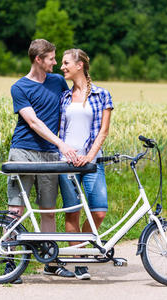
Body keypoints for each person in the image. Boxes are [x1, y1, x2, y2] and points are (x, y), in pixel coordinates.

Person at [5, 39, 78, 283]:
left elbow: (79, 90)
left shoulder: (57, 82)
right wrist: (61, 144)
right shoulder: (20, 87)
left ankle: (50, 262)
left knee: (49, 210)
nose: (56, 63)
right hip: (23, 152)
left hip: (49, 156)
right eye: (51, 59)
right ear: (38, 59)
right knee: (16, 209)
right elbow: (33, 122)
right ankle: (9, 262)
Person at [58, 48, 114, 280]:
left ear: (80, 65)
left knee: (99, 212)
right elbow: (60, 132)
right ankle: (80, 261)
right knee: (73, 213)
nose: (62, 67)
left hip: (92, 162)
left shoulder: (102, 95)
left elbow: (104, 131)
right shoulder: (64, 97)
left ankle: (84, 249)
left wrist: (89, 156)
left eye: (66, 63)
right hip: (66, 163)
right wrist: (66, 153)